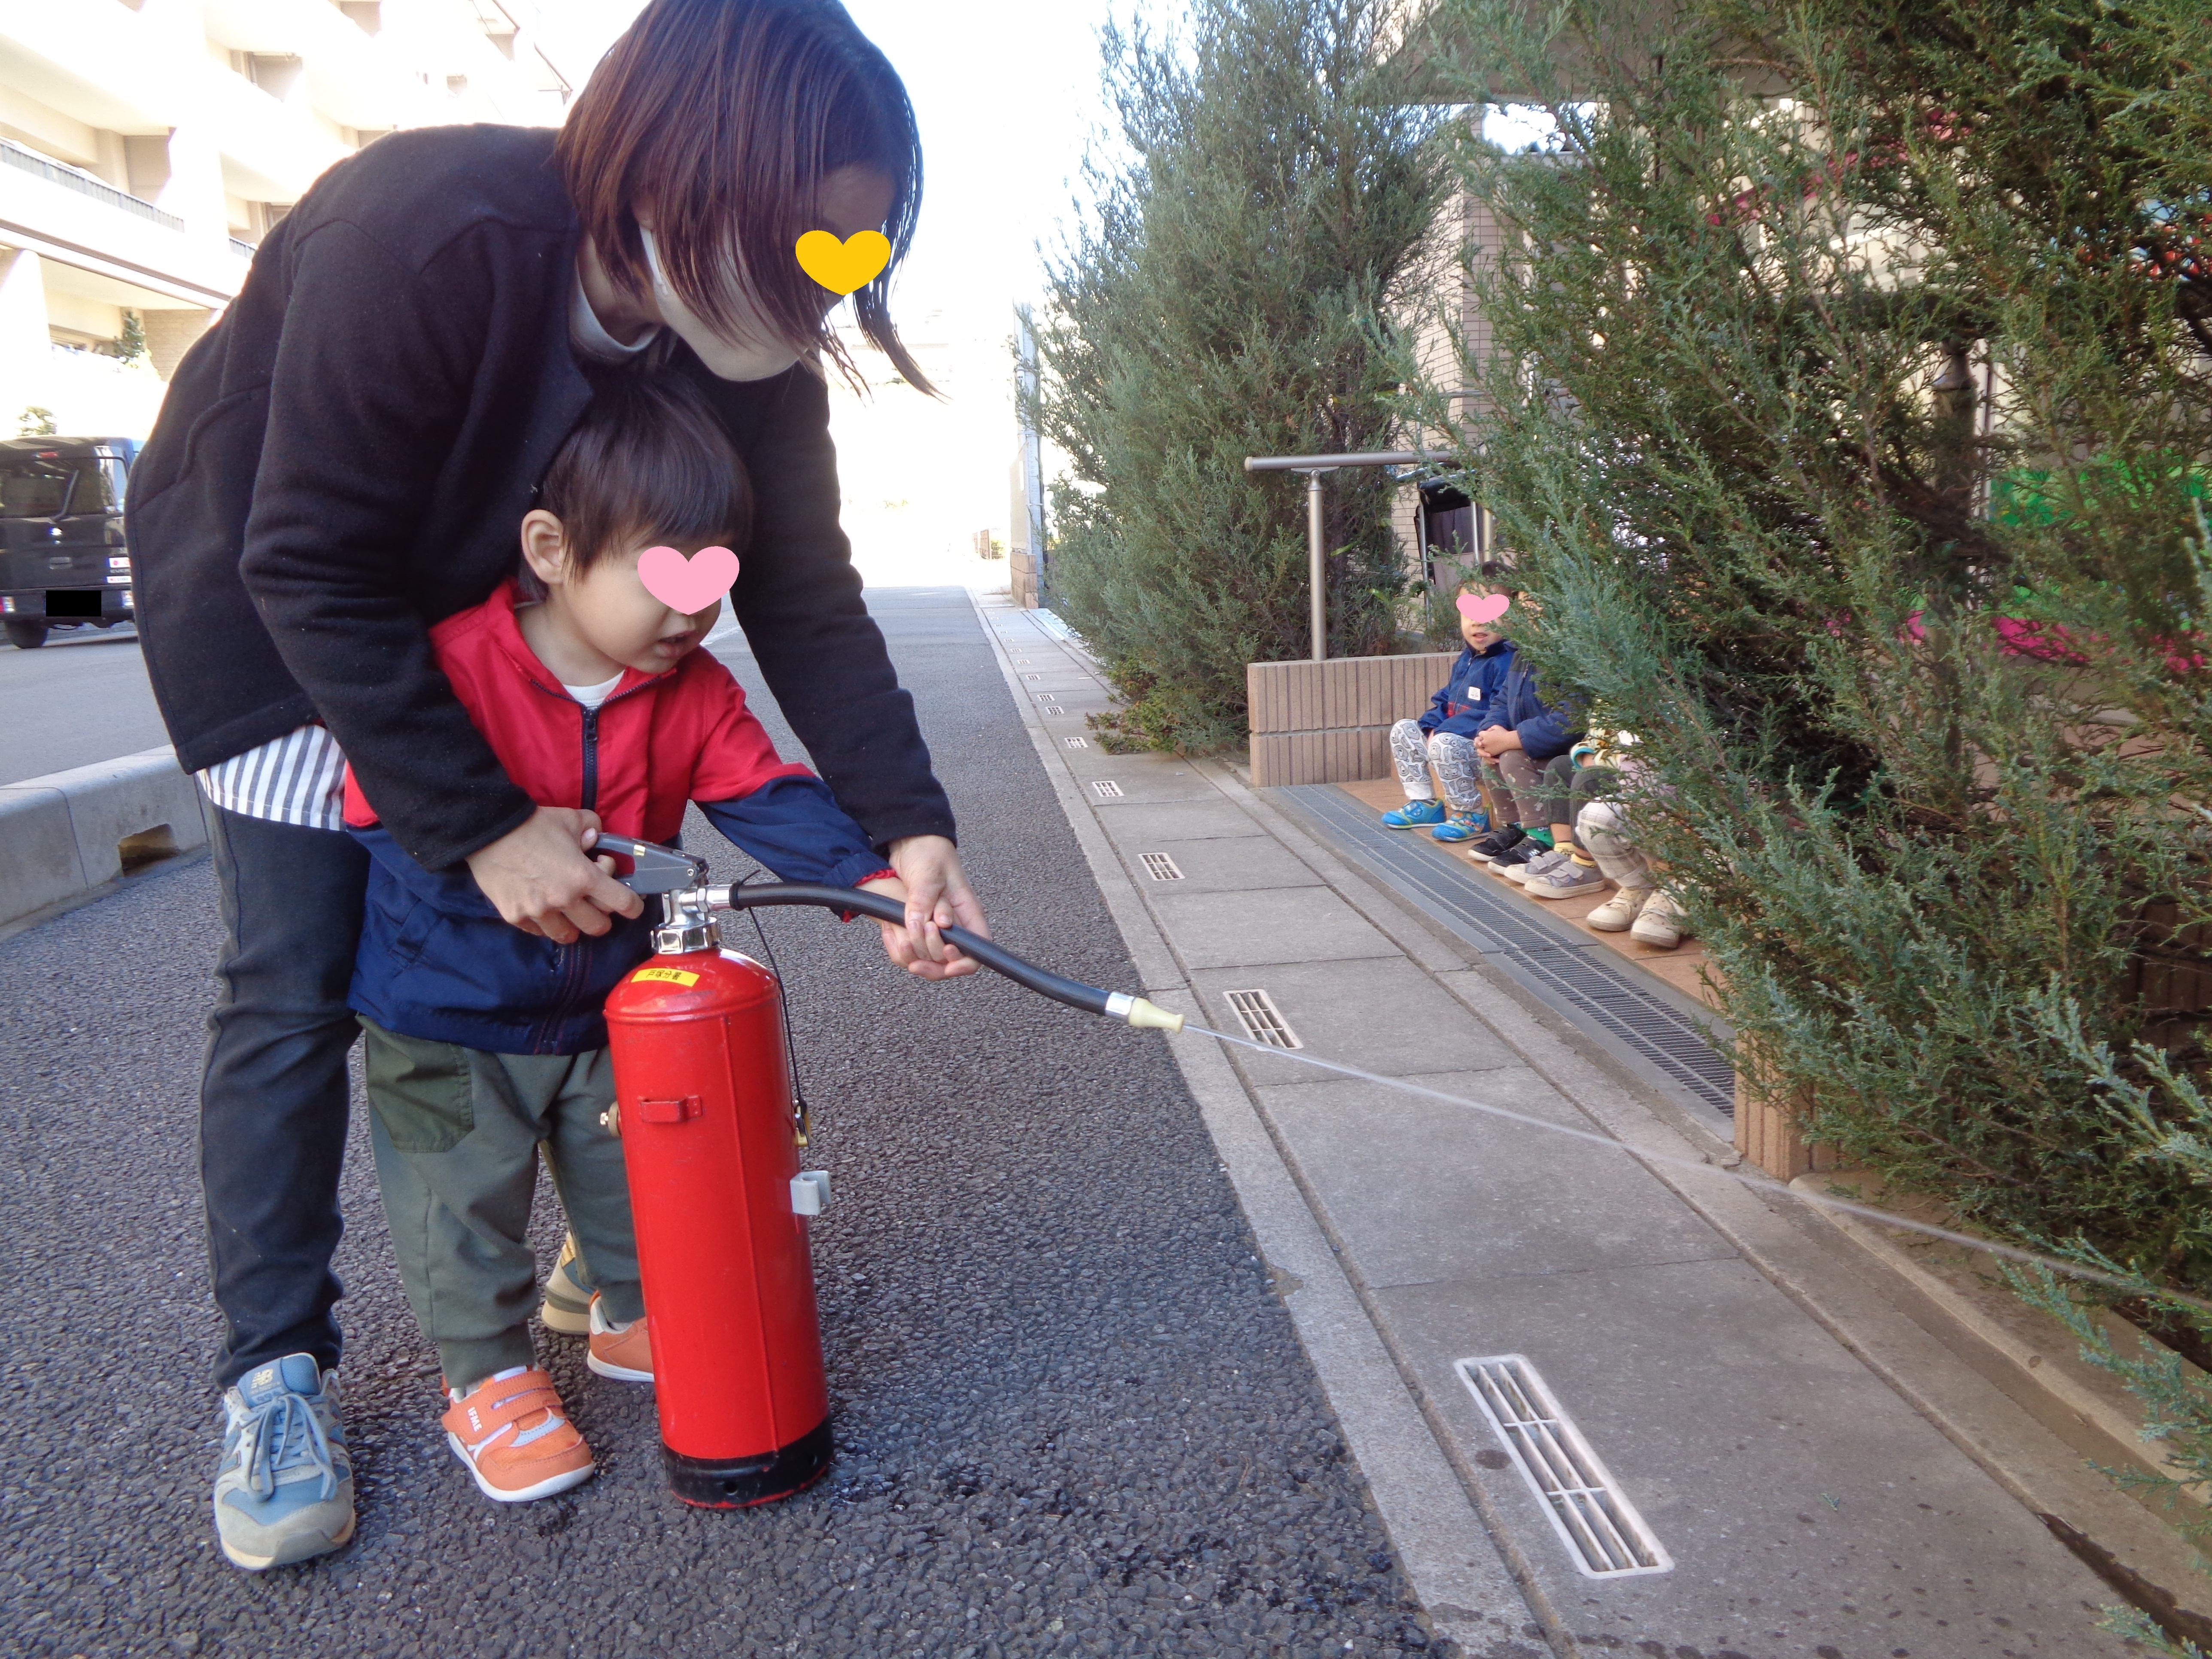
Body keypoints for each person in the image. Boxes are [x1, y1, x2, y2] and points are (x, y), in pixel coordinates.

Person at [128, 0, 985, 1570]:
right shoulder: (427, 231)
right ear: (684, 168)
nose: (829, 290)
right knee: (301, 976)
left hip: (502, 631)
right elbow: (307, 559)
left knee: (583, 950)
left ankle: (604, 1264)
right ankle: (273, 1371)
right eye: (815, 243)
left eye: (860, 257)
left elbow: (804, 597)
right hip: (281, 607)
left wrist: (905, 827)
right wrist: (475, 822)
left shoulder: (753, 355)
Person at [347, 371, 903, 1507]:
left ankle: (631, 1314)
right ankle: (487, 1375)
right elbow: (378, 802)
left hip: (609, 999)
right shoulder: (454, 668)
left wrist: (876, 881)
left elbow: (764, 790)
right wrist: (489, 850)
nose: (693, 612)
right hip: (445, 1012)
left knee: (634, 1172)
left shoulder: (693, 691)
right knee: (461, 1203)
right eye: (663, 575)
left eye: (714, 581)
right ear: (551, 547)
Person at [1380, 573, 1516, 841]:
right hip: (1450, 740)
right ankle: (1425, 804)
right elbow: (1448, 699)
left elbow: (1497, 711)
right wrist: (1431, 725)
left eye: (1491, 613)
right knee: (1404, 729)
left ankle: (1471, 814)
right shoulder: (1468, 658)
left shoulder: (1507, 661)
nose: (1478, 621)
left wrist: (1444, 731)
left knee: (1444, 742)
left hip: (1482, 751)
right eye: (1469, 613)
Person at [1463, 646, 1586, 876]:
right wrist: (1492, 730)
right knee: (1494, 758)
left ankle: (1542, 834)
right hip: (1528, 741)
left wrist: (1511, 738)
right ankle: (1517, 826)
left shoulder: (1571, 652)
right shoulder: (1523, 654)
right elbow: (1501, 701)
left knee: (1512, 757)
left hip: (1560, 751)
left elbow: (1572, 720)